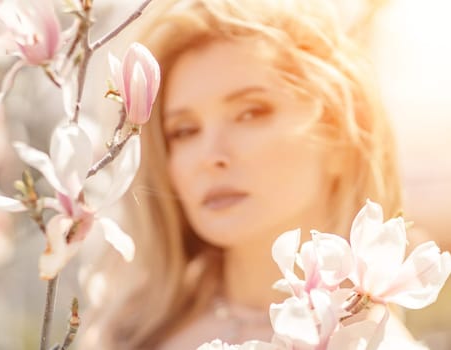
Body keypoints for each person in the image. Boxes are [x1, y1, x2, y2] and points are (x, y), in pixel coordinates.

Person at [80, 0, 409, 348]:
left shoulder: (369, 341)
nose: (210, 156)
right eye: (185, 130)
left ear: (341, 135)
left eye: (251, 113)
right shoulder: (125, 330)